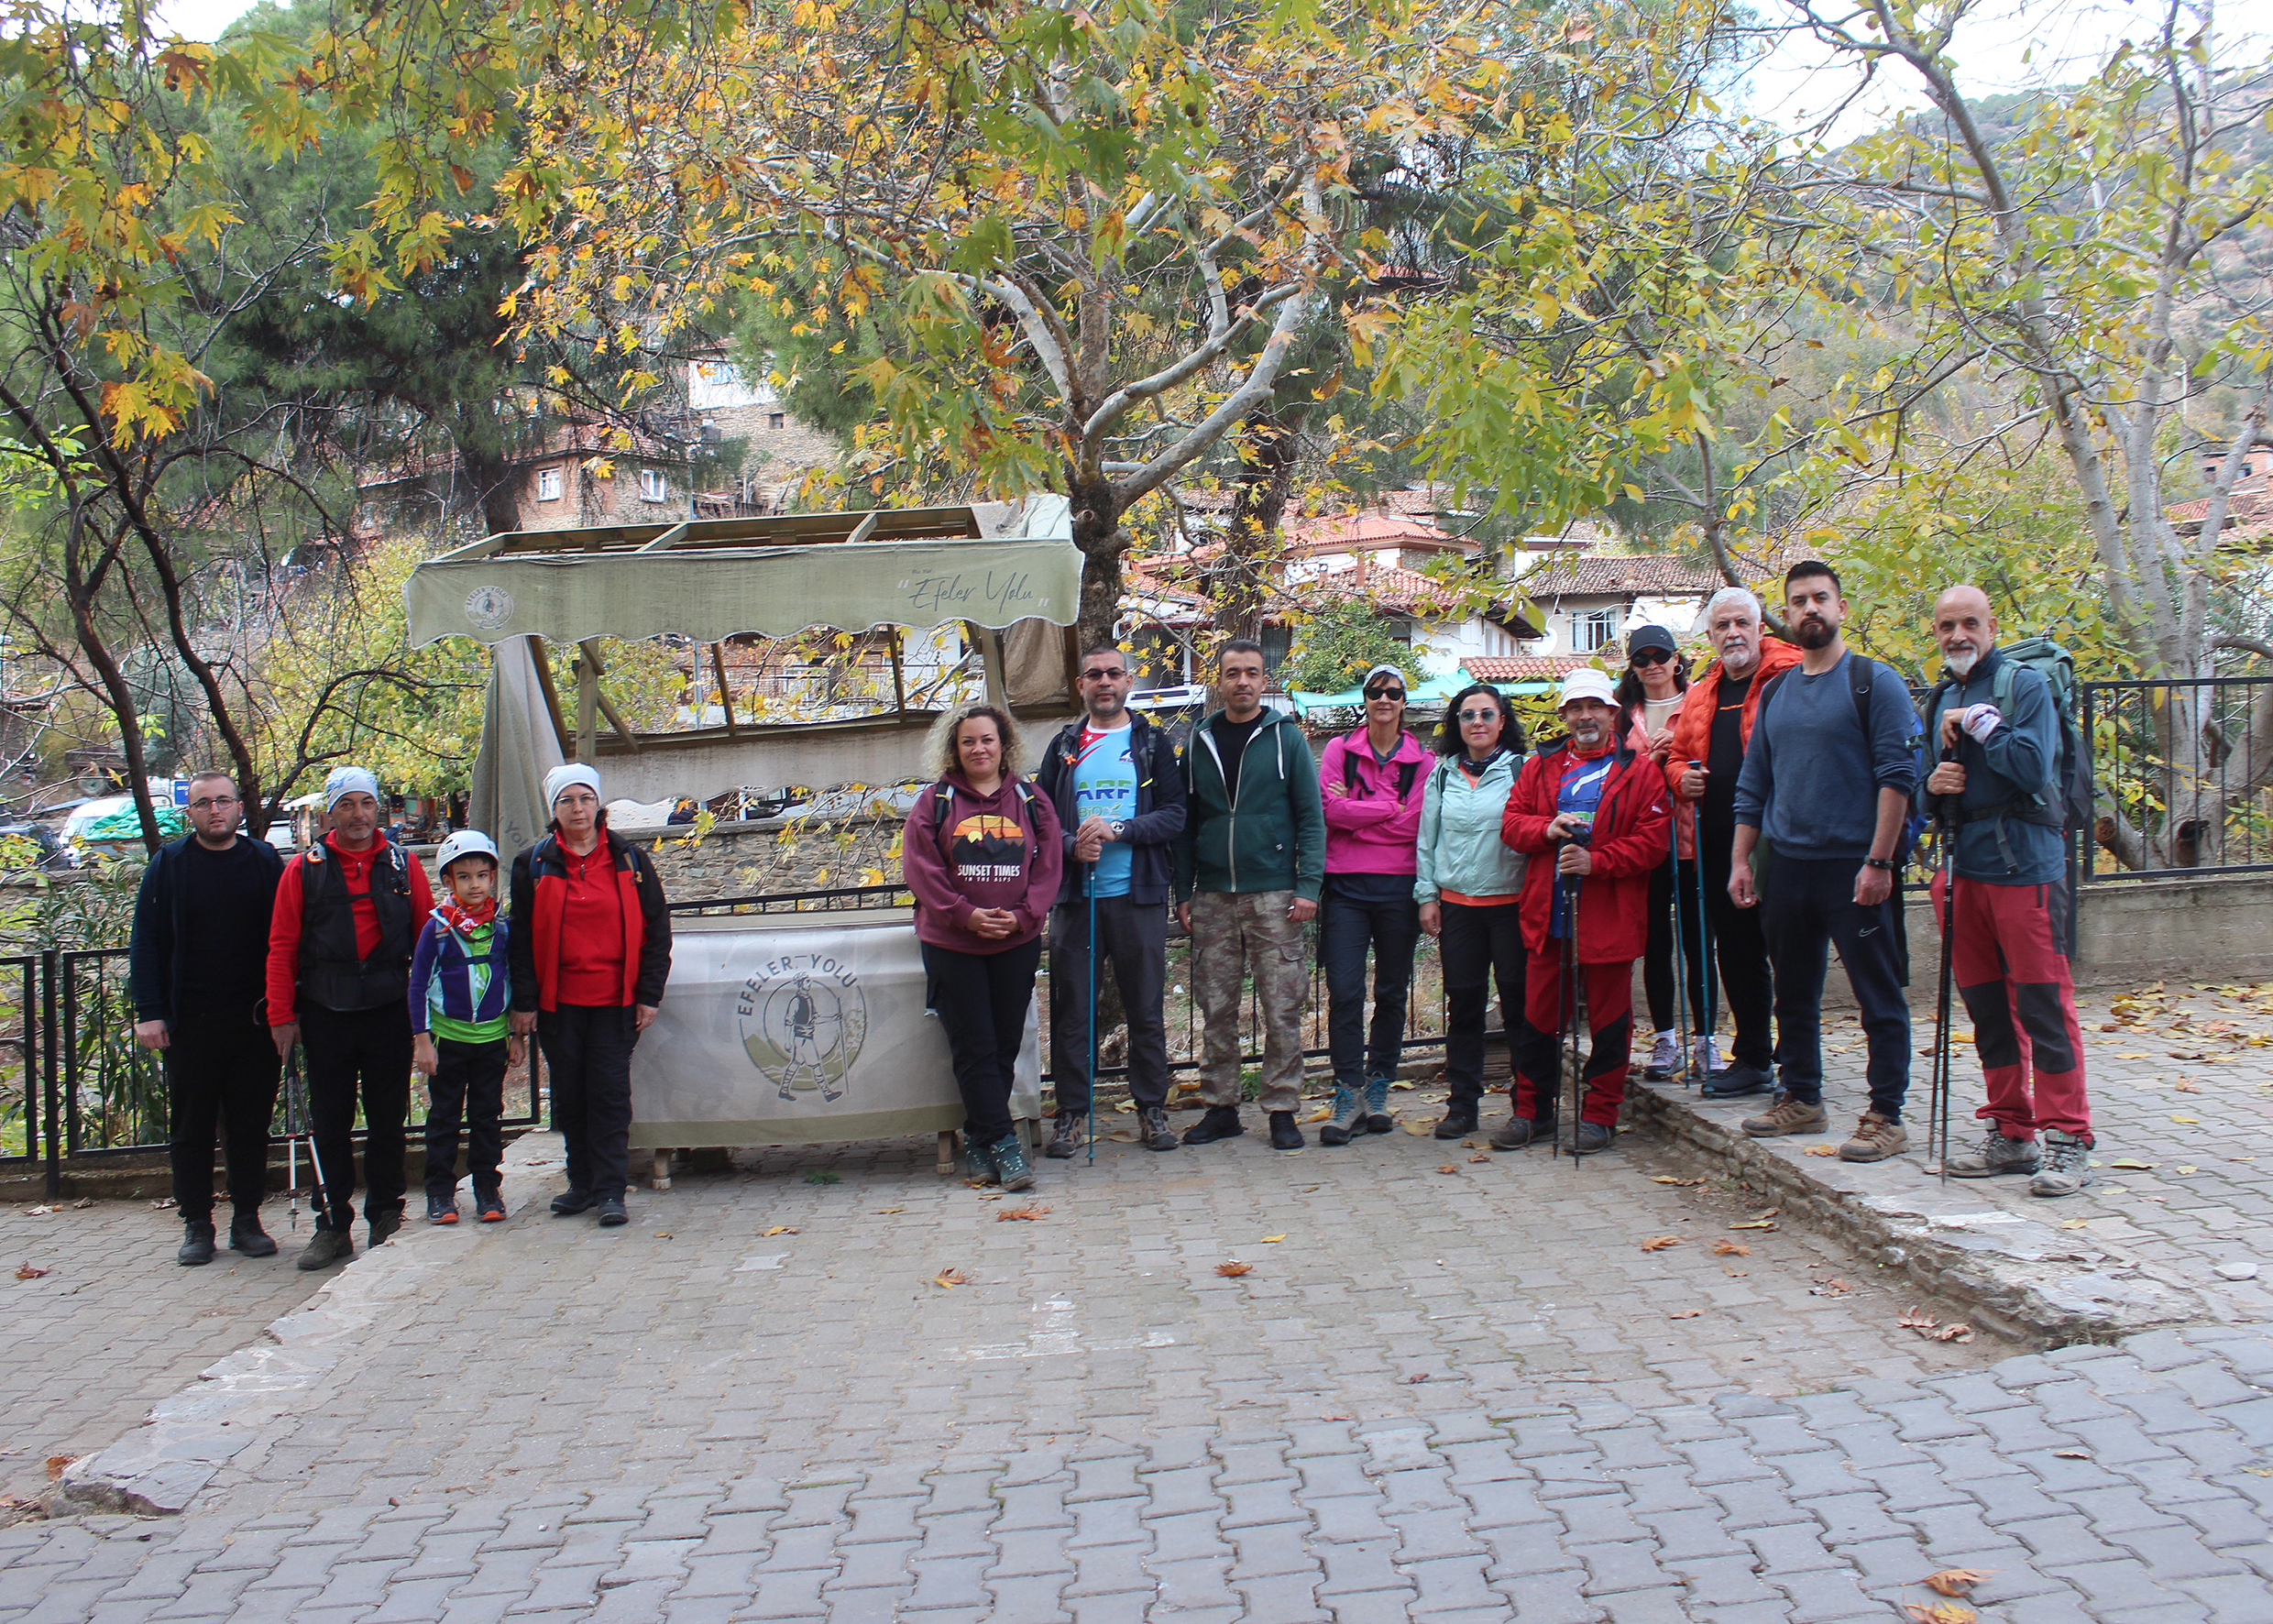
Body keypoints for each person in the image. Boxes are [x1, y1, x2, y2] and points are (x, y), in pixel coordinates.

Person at [1729, 561, 1921, 1161]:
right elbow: (1754, 781)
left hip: (1855, 866)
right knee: (1794, 992)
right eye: (1798, 601)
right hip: (1788, 865)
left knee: (1878, 996)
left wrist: (1879, 862)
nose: (1810, 609)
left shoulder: (1874, 682)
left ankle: (1887, 1114)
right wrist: (1741, 860)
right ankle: (1802, 1098)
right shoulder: (1778, 690)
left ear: (1842, 609)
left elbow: (1898, 777)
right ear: (1783, 617)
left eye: (1821, 598)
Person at [1920, 585, 2095, 1197]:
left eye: (1970, 624)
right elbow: (1923, 793)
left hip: (2027, 869)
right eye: (1947, 626)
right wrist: (1933, 783)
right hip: (1964, 871)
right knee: (1989, 1011)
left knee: (2044, 1007)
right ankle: (2011, 1133)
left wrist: (1979, 722)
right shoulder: (1940, 693)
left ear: (1991, 625)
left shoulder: (2023, 687)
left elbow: (2031, 766)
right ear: (1936, 633)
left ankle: (2068, 1139)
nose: (1958, 636)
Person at [267, 766, 435, 1269]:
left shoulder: (404, 866)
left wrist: (427, 1013)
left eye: (366, 804)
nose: (358, 815)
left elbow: (427, 941)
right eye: (347, 805)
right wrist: (281, 1015)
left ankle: (385, 1214)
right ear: (330, 812)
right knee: (330, 1123)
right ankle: (332, 1224)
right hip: (325, 1012)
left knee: (388, 1120)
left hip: (388, 1010)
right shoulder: (303, 870)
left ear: (377, 808)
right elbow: (281, 946)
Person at [1498, 669, 1669, 1153]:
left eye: (1594, 706)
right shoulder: (1540, 766)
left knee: (1610, 1024)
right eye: (1575, 708)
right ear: (1564, 716)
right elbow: (1512, 824)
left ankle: (1600, 1116)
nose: (1585, 716)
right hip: (1547, 916)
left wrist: (1598, 862)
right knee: (1536, 1021)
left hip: (1608, 917)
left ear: (1613, 712)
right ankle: (1532, 1112)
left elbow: (1652, 844)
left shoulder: (1639, 770)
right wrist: (1546, 830)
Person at [1173, 640, 1326, 1151]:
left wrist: (1308, 887)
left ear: (1266, 681)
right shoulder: (1199, 740)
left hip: (1274, 893)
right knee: (1215, 1006)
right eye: (1233, 672)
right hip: (1214, 893)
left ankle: (1282, 1109)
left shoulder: (1287, 739)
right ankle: (1221, 1108)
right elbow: (1188, 823)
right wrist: (1184, 890)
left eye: (1252, 673)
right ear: (1219, 680)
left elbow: (1311, 817)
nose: (1242, 681)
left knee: (1281, 1005)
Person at [1035, 645, 1187, 1158]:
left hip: (1137, 896)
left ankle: (1152, 1109)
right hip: (1079, 899)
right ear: (1081, 685)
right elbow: (1041, 822)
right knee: (1073, 1010)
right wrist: (1070, 846)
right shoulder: (1063, 745)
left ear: (1129, 681)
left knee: (1145, 1008)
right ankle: (1072, 1116)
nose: (1105, 681)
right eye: (1094, 674)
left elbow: (1174, 815)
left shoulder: (1152, 743)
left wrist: (1120, 829)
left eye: (1114, 673)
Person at [903, 702, 1061, 1191]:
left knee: (1005, 1044)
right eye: (968, 741)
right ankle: (1006, 1146)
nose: (978, 749)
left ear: (1003, 744)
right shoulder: (935, 802)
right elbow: (921, 868)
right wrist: (964, 915)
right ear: (955, 748)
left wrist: (1023, 915)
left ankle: (978, 1137)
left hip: (1015, 942)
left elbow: (1049, 864)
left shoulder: (1032, 800)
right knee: (974, 1046)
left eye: (987, 740)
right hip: (953, 944)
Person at [130, 770, 286, 1266]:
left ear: (239, 808)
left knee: (249, 1125)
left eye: (223, 801)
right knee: (192, 1127)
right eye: (204, 804)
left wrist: (288, 1008)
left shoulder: (263, 861)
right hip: (189, 1020)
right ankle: (197, 1223)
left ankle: (247, 1219)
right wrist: (150, 1012)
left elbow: (286, 939)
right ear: (190, 813)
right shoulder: (170, 864)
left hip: (255, 1020)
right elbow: (147, 942)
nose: (214, 811)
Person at [508, 764, 672, 1227]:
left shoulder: (630, 860)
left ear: (598, 804)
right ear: (553, 810)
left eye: (584, 798)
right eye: (566, 801)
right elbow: (519, 940)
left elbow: (657, 932)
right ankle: (580, 1184)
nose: (576, 808)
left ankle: (610, 1190)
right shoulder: (532, 865)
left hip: (616, 1001)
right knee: (571, 1094)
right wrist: (524, 1001)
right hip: (558, 1003)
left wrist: (649, 994)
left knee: (609, 1093)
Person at [1664, 588, 1802, 1099]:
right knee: (1738, 952)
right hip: (1719, 842)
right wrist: (1682, 779)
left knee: (1788, 950)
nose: (1733, 634)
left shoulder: (1789, 677)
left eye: (1742, 623)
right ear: (1710, 636)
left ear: (1761, 626)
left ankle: (1798, 1056)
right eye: (1722, 626)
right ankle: (1751, 1058)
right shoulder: (1701, 692)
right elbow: (1677, 758)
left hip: (1782, 838)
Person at [1315, 664, 1432, 1145]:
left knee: (1390, 992)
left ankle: (1379, 1087)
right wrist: (1388, 808)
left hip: (1399, 889)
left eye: (1393, 692)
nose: (1384, 699)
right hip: (1345, 887)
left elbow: (1417, 824)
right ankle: (1348, 1090)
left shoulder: (1421, 762)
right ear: (1364, 700)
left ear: (1405, 701)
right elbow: (1328, 810)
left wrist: (1356, 814)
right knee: (1344, 991)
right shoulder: (1339, 752)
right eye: (1375, 692)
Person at [1413, 684, 1532, 1141]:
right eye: (1467, 716)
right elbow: (1428, 841)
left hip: (1511, 906)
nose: (1477, 723)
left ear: (1503, 720)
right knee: (1464, 1007)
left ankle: (1528, 1104)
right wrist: (1427, 896)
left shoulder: (1522, 770)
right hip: (1458, 908)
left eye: (1486, 714)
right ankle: (1462, 1106)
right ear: (1456, 724)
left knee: (1519, 1006)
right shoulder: (1441, 774)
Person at [412, 830, 523, 1224]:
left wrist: (517, 1036)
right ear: (448, 881)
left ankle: (486, 1188)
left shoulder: (502, 929)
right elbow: (418, 986)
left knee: (487, 1116)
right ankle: (440, 1192)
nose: (474, 884)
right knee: (444, 1117)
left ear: (492, 877)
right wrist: (423, 1042)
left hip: (491, 1039)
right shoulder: (437, 930)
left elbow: (511, 980)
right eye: (463, 877)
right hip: (448, 1040)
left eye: (481, 875)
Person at [1615, 624, 1711, 1083]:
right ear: (1632, 667)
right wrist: (1647, 766)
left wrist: (1680, 759)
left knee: (1698, 944)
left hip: (1695, 841)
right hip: (1648, 845)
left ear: (1677, 659)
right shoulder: (1622, 716)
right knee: (1655, 945)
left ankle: (1706, 1041)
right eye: (1642, 658)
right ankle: (1666, 1039)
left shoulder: (1700, 702)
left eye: (1660, 655)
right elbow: (1615, 777)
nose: (1652, 664)